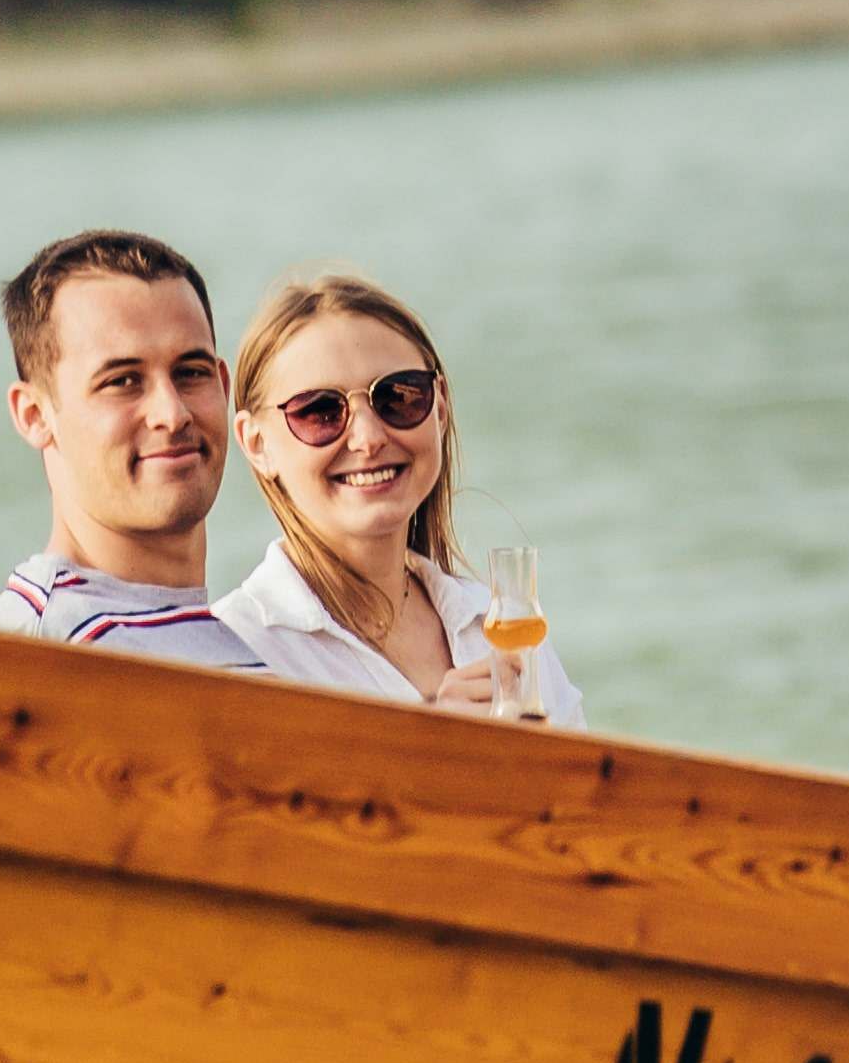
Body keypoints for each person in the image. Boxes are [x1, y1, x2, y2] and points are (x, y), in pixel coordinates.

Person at [206, 266, 587, 724]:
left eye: (399, 397)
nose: (367, 437)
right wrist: (430, 753)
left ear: (440, 407)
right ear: (256, 444)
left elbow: (587, 795)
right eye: (321, 412)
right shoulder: (233, 652)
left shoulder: (500, 626)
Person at [0, 226, 271, 667]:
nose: (172, 414)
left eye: (190, 372)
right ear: (35, 415)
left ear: (224, 385)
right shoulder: (35, 658)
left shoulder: (233, 638)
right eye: (122, 382)